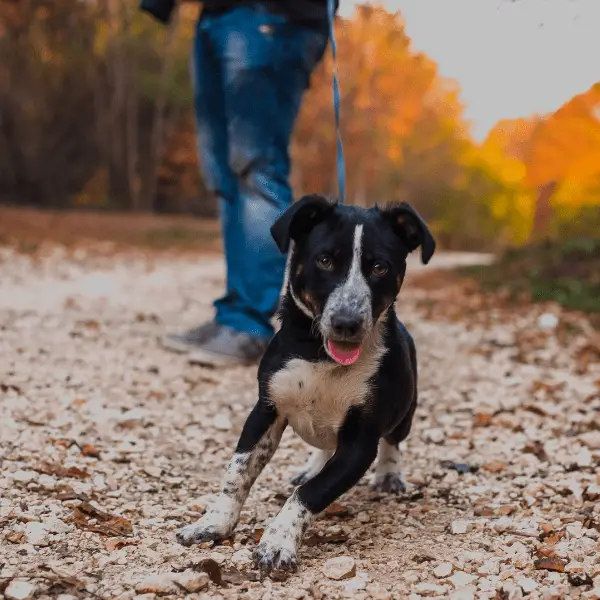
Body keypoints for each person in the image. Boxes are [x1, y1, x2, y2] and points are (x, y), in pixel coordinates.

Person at [140, 0, 336, 367]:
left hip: (271, 17)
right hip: (217, 14)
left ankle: (252, 324)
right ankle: (233, 314)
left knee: (257, 167)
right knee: (223, 172)